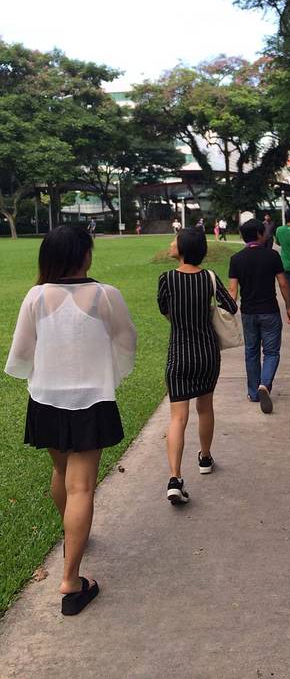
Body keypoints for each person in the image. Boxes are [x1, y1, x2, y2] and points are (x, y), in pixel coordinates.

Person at [4, 225, 137, 616]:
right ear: (85, 255)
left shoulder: (35, 296)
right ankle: (71, 581)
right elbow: (127, 340)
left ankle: (72, 534)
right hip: (90, 400)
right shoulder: (105, 295)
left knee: (62, 473)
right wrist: (106, 371)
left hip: (46, 400)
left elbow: (21, 353)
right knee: (81, 487)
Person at [158, 228, 238, 504]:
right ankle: (205, 458)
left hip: (179, 354)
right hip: (207, 353)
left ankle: (175, 478)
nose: (171, 243)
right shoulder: (210, 277)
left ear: (182, 248)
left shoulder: (166, 278)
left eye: (175, 240)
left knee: (177, 418)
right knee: (205, 408)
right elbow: (231, 306)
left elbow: (164, 309)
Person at [228, 219, 290, 413]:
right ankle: (265, 384)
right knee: (271, 352)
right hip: (270, 311)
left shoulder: (236, 259)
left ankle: (253, 392)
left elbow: (233, 291)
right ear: (259, 234)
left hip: (248, 312)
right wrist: (289, 307)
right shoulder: (272, 256)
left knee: (251, 351)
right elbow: (283, 283)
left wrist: (229, 312)